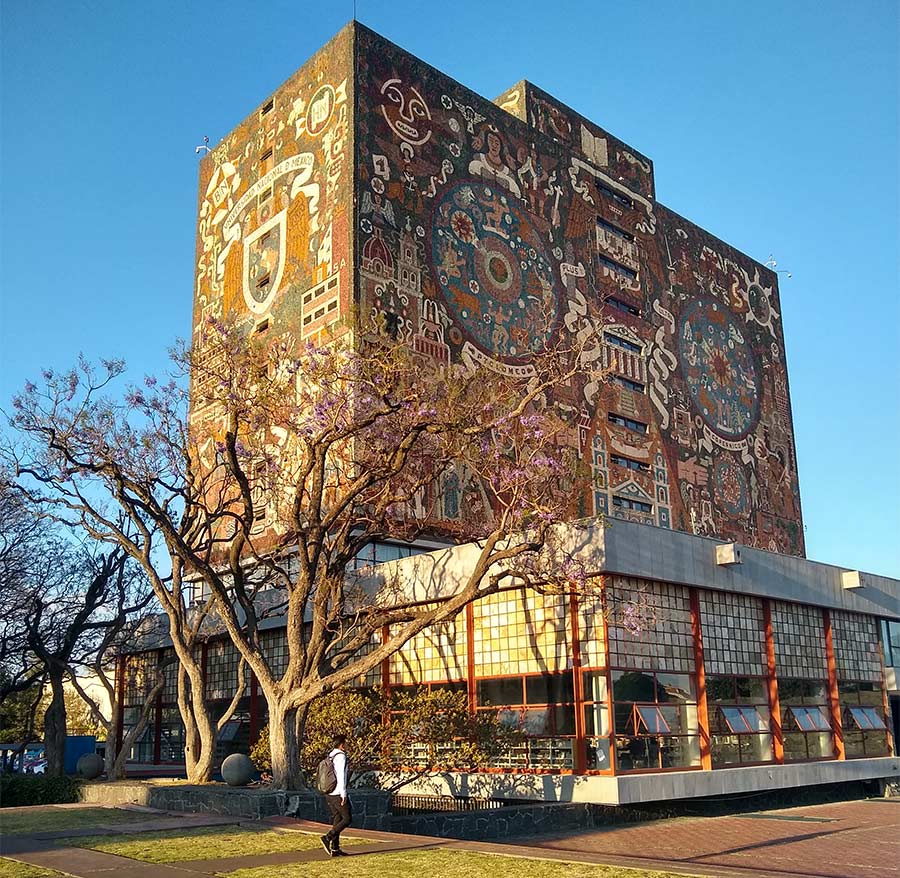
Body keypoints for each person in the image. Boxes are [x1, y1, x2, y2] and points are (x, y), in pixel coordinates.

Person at [320, 733, 351, 857]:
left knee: (337, 818)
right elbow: (340, 775)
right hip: (337, 792)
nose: (348, 745)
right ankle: (328, 838)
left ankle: (335, 848)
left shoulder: (331, 755)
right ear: (342, 745)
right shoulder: (341, 756)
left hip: (329, 792)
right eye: (346, 743)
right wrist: (343, 793)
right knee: (347, 819)